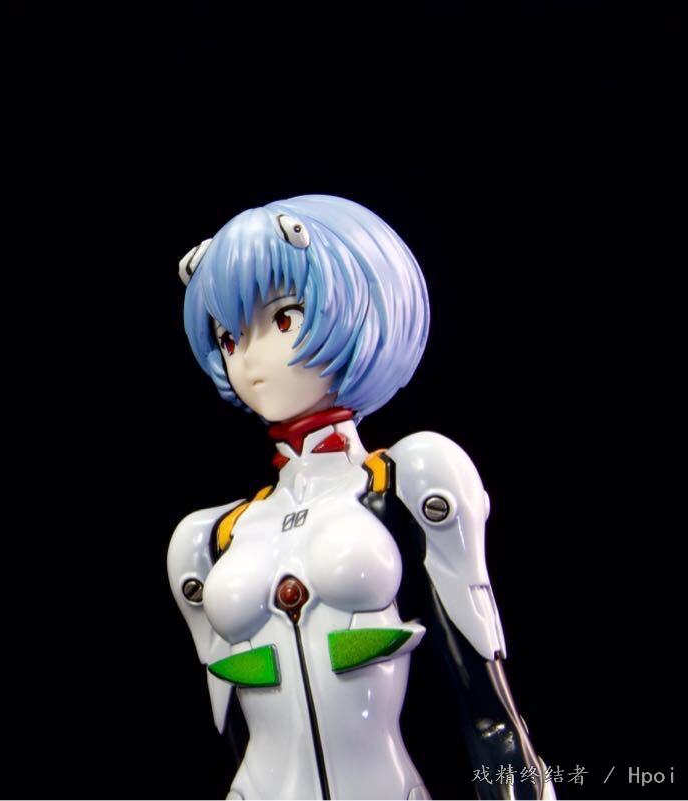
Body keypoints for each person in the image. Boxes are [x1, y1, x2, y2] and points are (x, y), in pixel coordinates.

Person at [166, 195, 554, 799]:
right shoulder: (211, 538)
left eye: (284, 319)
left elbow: (491, 712)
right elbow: (234, 731)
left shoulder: (407, 480)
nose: (251, 357)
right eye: (229, 337)